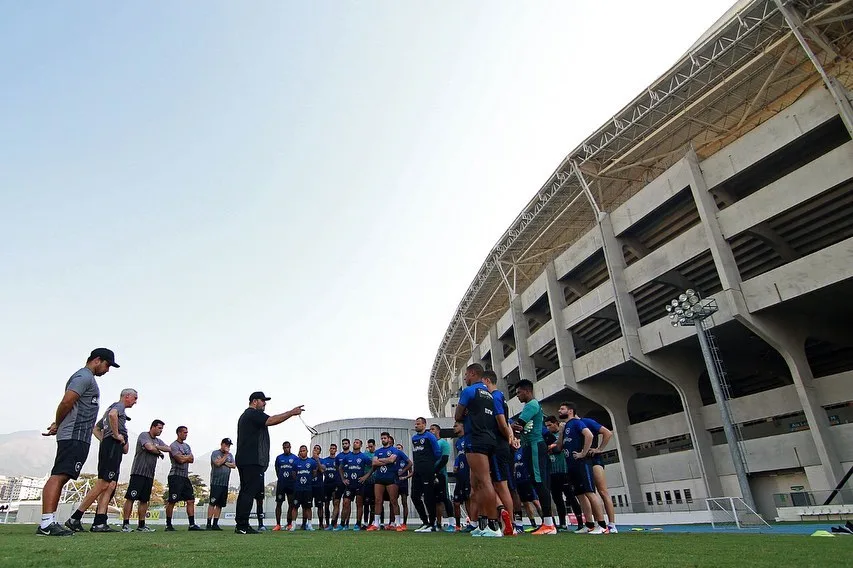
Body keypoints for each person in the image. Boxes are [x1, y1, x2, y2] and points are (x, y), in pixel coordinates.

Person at [39, 348, 119, 537]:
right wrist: (59, 424)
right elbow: (67, 402)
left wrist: (59, 423)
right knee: (59, 475)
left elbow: (72, 407)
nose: (107, 370)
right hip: (73, 435)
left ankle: (49, 520)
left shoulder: (88, 379)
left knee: (64, 476)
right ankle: (46, 523)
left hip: (79, 436)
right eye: (107, 365)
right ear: (97, 360)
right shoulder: (83, 377)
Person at [64, 388, 136, 533]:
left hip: (112, 447)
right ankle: (75, 517)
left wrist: (107, 440)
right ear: (127, 396)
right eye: (135, 398)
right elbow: (113, 415)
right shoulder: (118, 406)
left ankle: (99, 522)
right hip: (111, 447)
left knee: (110, 485)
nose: (136, 402)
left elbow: (96, 429)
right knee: (103, 483)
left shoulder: (112, 409)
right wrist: (115, 436)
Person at [234, 391, 304, 534]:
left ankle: (242, 524)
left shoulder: (248, 416)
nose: (265, 403)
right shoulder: (252, 414)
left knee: (246, 491)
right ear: (254, 401)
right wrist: (291, 413)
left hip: (247, 459)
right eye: (262, 400)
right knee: (248, 492)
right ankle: (241, 525)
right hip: (251, 460)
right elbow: (271, 420)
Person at [454, 364, 503, 537]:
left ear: (473, 374)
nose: (465, 379)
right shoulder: (490, 393)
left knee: (484, 482)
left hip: (476, 439)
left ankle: (493, 525)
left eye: (466, 375)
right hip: (489, 439)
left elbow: (457, 416)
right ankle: (481, 524)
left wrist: (465, 412)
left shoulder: (469, 391)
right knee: (475, 485)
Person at [513, 379, 556, 535]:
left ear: (527, 391)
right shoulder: (528, 406)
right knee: (536, 482)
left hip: (534, 446)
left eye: (518, 393)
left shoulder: (532, 405)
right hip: (529, 447)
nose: (517, 396)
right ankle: (546, 522)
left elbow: (519, 424)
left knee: (539, 482)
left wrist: (509, 426)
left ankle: (549, 524)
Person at [558, 401, 608, 534]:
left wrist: (583, 453)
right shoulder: (566, 426)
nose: (559, 411)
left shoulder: (577, 422)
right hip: (571, 465)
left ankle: (602, 524)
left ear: (570, 411)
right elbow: (559, 447)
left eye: (562, 409)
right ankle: (589, 523)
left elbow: (589, 435)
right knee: (580, 495)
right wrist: (561, 432)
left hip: (582, 464)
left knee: (590, 492)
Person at [481, 370, 518, 535]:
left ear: (487, 381)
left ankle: (508, 523)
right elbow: (508, 423)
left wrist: (508, 437)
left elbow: (502, 422)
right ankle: (508, 521)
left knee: (500, 485)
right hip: (501, 444)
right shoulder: (501, 397)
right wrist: (510, 436)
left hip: (498, 445)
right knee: (498, 483)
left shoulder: (494, 397)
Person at [122, 419, 171, 532]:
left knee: (144, 500)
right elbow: (149, 447)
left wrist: (156, 447)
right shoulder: (144, 435)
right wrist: (157, 449)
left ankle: (141, 525)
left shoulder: (158, 440)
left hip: (149, 474)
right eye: (159, 428)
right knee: (131, 497)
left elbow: (168, 448)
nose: (161, 431)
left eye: (162, 429)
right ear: (153, 427)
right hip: (138, 472)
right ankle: (125, 524)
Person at [545, 415, 582, 532]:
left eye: (550, 425)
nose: (548, 428)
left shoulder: (563, 435)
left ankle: (581, 522)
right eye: (546, 426)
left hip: (564, 471)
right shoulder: (547, 437)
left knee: (571, 497)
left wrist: (553, 446)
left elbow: (558, 448)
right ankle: (562, 523)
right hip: (552, 472)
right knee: (557, 499)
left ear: (556, 423)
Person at [582, 413, 617, 533]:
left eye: (562, 409)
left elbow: (607, 432)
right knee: (590, 492)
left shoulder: (587, 422)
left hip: (594, 459)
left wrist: (599, 449)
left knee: (602, 491)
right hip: (583, 460)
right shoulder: (570, 426)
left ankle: (612, 525)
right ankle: (597, 523)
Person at [164, 426, 200, 531]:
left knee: (190, 500)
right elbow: (179, 459)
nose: (186, 434)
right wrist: (186, 457)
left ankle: (192, 524)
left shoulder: (187, 446)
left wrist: (185, 458)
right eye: (184, 432)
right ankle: (168, 525)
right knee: (172, 500)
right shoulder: (173, 445)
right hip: (175, 476)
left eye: (187, 432)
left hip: (185, 477)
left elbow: (192, 459)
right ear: (179, 433)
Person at [410, 417, 441, 532]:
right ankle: (425, 522)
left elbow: (437, 453)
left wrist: (430, 465)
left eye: (418, 424)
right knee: (414, 496)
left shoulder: (429, 436)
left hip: (427, 470)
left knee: (429, 497)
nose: (416, 426)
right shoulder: (414, 438)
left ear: (424, 425)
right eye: (415, 424)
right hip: (417, 470)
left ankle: (432, 524)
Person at [366, 432, 402, 531]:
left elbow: (392, 460)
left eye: (385, 438)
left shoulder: (395, 450)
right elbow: (374, 462)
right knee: (378, 501)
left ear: (388, 439)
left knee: (393, 501)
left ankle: (397, 523)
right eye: (381, 438)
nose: (383, 440)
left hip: (391, 478)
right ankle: (376, 524)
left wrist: (381, 461)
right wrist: (386, 460)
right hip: (379, 479)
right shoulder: (378, 451)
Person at [337, 439, 370, 530]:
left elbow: (373, 466)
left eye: (357, 442)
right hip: (350, 484)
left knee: (359, 504)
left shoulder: (363, 457)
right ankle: (342, 524)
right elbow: (340, 467)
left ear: (360, 445)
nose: (355, 444)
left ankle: (358, 524)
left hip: (359, 484)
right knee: (346, 503)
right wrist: (343, 479)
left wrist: (365, 477)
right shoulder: (348, 456)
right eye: (354, 442)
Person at [429, 424, 455, 532]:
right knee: (435, 501)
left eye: (433, 429)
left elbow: (444, 459)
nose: (431, 431)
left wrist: (435, 471)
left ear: (438, 430)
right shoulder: (430, 445)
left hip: (440, 474)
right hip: (431, 475)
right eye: (430, 430)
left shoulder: (443, 443)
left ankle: (452, 524)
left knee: (445, 498)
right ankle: (438, 523)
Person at [206, 438, 235, 530]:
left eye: (229, 445)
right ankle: (208, 524)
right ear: (222, 444)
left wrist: (224, 462)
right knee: (213, 502)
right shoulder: (215, 453)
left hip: (225, 483)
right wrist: (225, 457)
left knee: (220, 504)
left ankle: (215, 524)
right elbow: (217, 463)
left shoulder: (230, 455)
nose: (227, 447)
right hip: (216, 482)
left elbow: (234, 465)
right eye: (226, 444)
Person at [292, 444, 322, 530]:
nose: (302, 452)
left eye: (304, 450)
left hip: (308, 488)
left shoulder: (311, 462)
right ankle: (293, 525)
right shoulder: (296, 462)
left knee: (308, 507)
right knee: (295, 507)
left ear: (307, 451)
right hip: (298, 488)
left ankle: (309, 525)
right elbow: (294, 475)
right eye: (301, 451)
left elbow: (314, 474)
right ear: (299, 452)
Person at [513, 445, 542, 530]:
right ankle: (533, 524)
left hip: (527, 479)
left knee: (535, 501)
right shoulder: (514, 451)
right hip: (518, 480)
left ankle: (545, 521)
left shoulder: (525, 449)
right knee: (525, 503)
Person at [273, 441, 297, 531]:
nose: (286, 449)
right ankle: (278, 524)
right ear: (283, 448)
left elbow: (296, 470)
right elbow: (277, 470)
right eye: (285, 447)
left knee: (291, 504)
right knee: (279, 504)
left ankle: (289, 523)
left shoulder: (294, 458)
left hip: (291, 484)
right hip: (281, 484)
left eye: (288, 447)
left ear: (290, 447)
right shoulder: (279, 458)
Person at [452, 424, 471, 532]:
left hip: (468, 473)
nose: (454, 427)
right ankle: (458, 525)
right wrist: (456, 464)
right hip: (460, 474)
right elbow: (459, 455)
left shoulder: (468, 438)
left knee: (469, 499)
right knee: (456, 502)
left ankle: (473, 522)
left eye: (456, 425)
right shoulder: (458, 442)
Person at [332, 439, 351, 530]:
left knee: (347, 503)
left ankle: (346, 524)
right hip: (339, 482)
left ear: (349, 444)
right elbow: (337, 468)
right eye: (343, 444)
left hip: (349, 482)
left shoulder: (352, 455)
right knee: (336, 502)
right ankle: (333, 523)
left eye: (346, 443)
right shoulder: (338, 456)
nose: (344, 445)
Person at [394, 442, 412, 531]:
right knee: (393, 502)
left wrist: (405, 476)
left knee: (404, 502)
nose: (398, 450)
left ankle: (404, 523)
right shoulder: (393, 460)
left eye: (399, 448)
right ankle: (393, 522)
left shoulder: (405, 460)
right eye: (396, 448)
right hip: (395, 483)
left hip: (403, 483)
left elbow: (411, 472)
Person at [321, 444, 339, 530]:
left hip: (335, 484)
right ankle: (327, 523)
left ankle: (334, 523)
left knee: (336, 503)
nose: (332, 450)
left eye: (334, 449)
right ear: (329, 450)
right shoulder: (325, 460)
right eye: (331, 448)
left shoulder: (338, 459)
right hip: (327, 484)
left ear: (336, 450)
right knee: (326, 505)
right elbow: (323, 469)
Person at [361, 438, 376, 527]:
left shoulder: (377, 454)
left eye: (371, 446)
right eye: (369, 446)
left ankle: (374, 522)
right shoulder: (364, 455)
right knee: (366, 503)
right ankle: (366, 522)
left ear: (374, 446)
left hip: (375, 481)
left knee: (374, 503)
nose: (370, 448)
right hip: (366, 482)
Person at [311, 445, 326, 529]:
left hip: (319, 486)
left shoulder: (322, 460)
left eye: (318, 449)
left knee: (320, 506)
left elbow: (322, 470)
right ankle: (305, 523)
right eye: (315, 448)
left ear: (319, 452)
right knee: (307, 506)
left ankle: (321, 524)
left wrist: (317, 461)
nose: (316, 450)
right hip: (310, 486)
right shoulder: (308, 460)